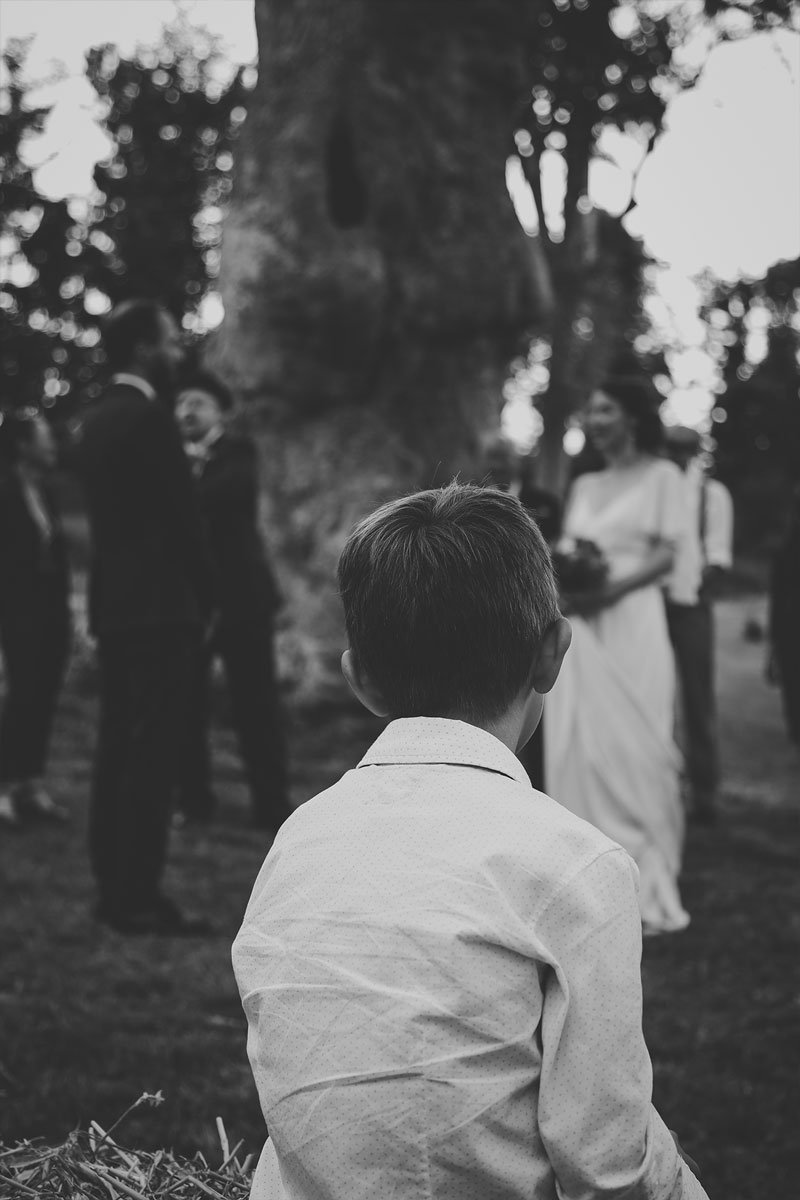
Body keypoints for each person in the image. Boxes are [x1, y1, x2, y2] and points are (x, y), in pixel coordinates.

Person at [233, 483, 708, 1200]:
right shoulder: (576, 864)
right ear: (553, 653)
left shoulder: (296, 840)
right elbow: (610, 1166)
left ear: (358, 678)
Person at [74, 299, 213, 935]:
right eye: (165, 339)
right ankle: (139, 898)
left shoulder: (95, 419)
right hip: (163, 609)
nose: (175, 349)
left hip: (115, 606)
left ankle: (111, 883)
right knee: (154, 751)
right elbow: (185, 523)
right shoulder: (152, 420)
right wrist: (208, 596)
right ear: (140, 350)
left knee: (113, 745)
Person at [544, 378, 690, 935]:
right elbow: (573, 548)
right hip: (585, 625)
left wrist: (610, 591)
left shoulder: (664, 476)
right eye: (591, 409)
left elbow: (665, 557)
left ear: (631, 416)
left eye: (605, 409)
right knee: (586, 744)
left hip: (632, 622)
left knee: (638, 744)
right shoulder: (585, 485)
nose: (594, 418)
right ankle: (589, 879)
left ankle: (647, 876)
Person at [174, 370, 291, 832]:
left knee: (255, 704)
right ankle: (194, 800)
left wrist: (177, 487)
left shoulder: (238, 452)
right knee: (186, 704)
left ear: (220, 412)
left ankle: (271, 803)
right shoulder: (171, 459)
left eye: (198, 402)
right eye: (181, 402)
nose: (186, 411)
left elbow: (227, 493)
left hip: (243, 600)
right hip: (190, 602)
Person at [0, 411, 71, 828]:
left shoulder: (46, 491)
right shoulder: (4, 492)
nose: (53, 445)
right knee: (20, 697)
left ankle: (31, 782)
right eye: (45, 438)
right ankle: (4, 787)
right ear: (23, 445)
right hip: (17, 613)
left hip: (51, 612)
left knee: (44, 696)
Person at [664, 425, 734, 824]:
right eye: (671, 448)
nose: (676, 455)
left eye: (684, 449)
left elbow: (718, 554)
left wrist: (693, 584)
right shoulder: (655, 488)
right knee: (654, 693)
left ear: (696, 451)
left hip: (691, 608)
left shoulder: (713, 494)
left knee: (697, 696)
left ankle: (705, 791)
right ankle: (662, 782)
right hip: (652, 606)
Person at [768, 482, 800, 745]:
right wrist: (772, 645)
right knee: (792, 680)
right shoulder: (786, 549)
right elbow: (776, 599)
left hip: (788, 623)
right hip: (790, 626)